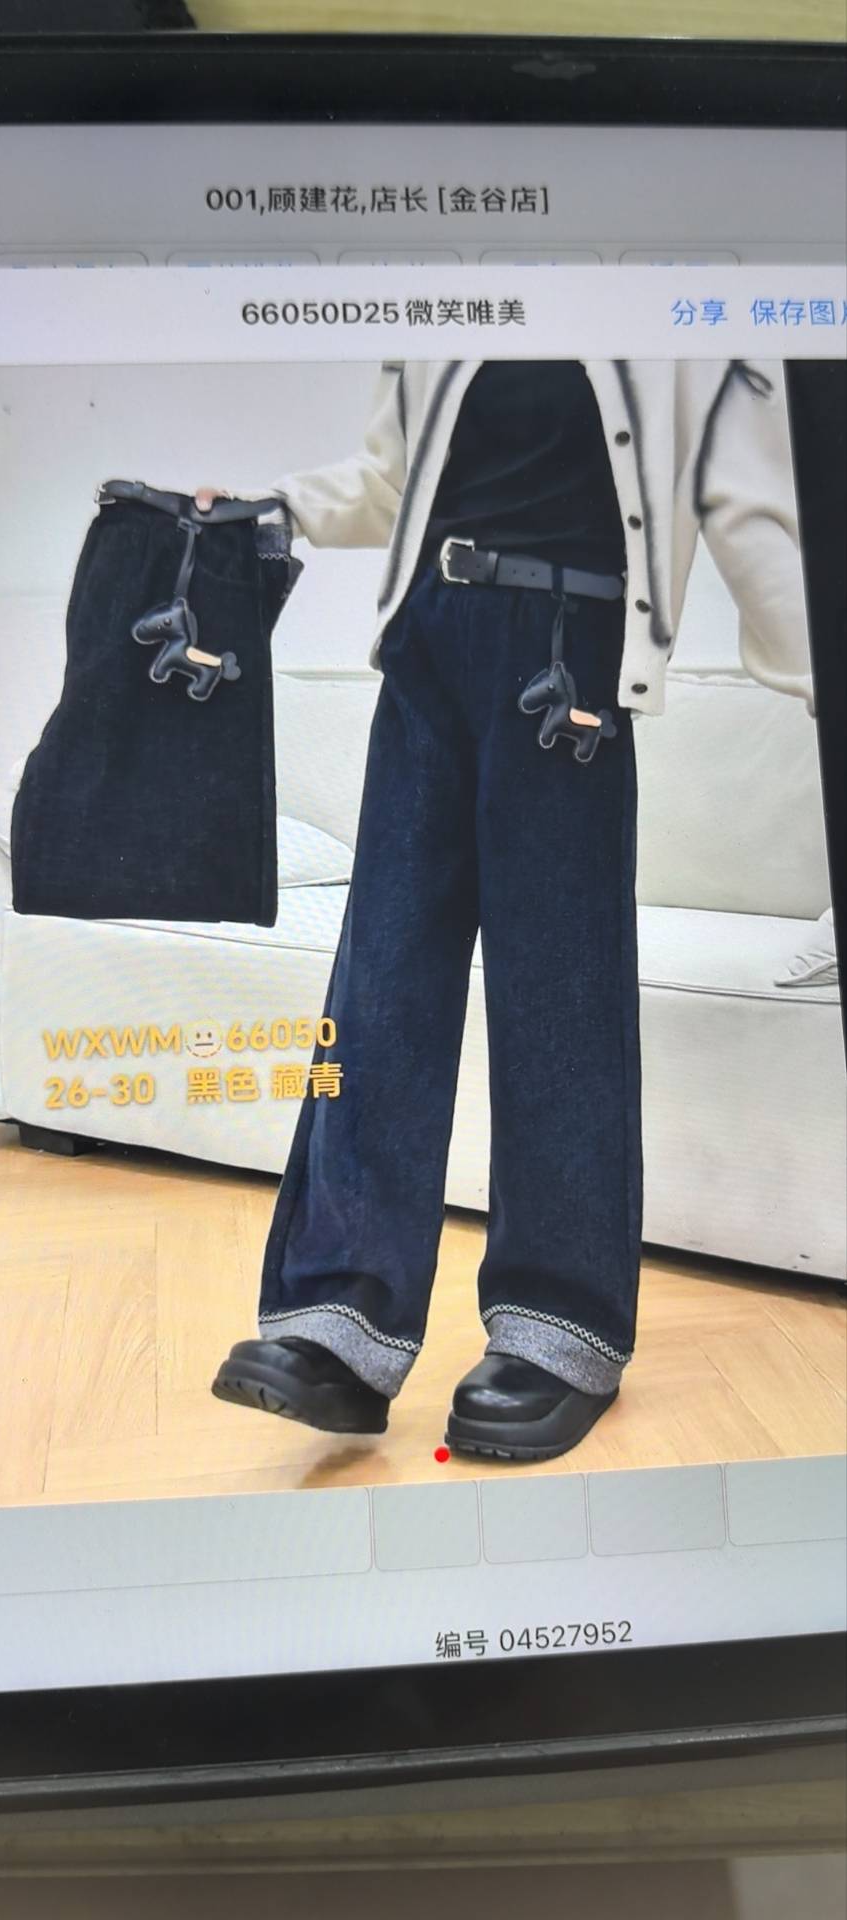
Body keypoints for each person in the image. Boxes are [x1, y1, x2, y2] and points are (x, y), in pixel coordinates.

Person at [208, 356, 814, 1461]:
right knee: (380, 983)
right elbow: (390, 478)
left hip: (567, 654)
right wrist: (274, 505)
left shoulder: (677, 315)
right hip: (426, 639)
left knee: (558, 999)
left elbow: (746, 504)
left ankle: (557, 1325)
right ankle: (339, 1319)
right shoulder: (446, 302)